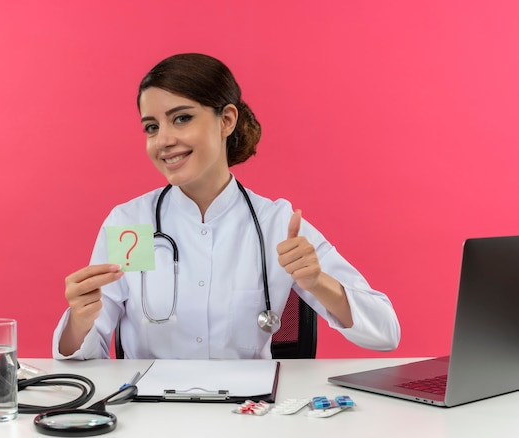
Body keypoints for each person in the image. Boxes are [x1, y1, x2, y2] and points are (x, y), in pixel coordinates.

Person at [53, 53, 400, 360]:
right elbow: (84, 356)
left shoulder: (276, 224)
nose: (164, 140)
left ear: (227, 120)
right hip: (152, 415)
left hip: (249, 415)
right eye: (151, 127)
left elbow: (385, 333)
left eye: (182, 118)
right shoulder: (135, 225)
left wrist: (318, 282)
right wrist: (80, 321)